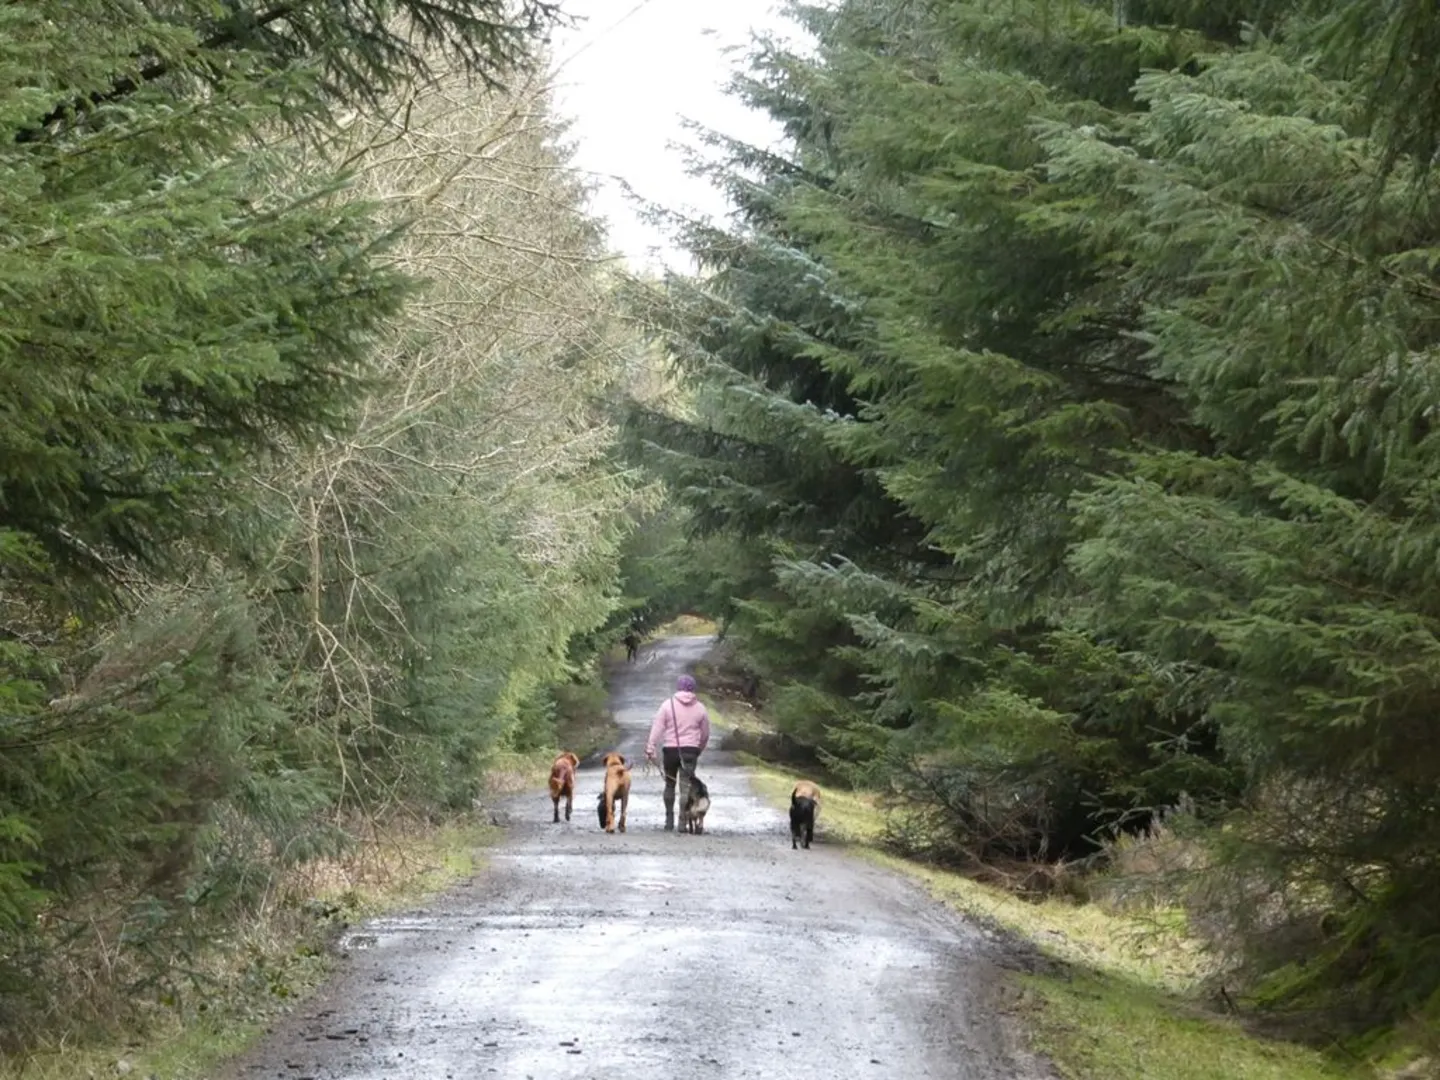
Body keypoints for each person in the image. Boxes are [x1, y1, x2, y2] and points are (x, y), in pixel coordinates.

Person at [645, 674, 711, 832]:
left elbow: (658, 727)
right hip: (690, 751)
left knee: (669, 785)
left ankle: (669, 820)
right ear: (693, 689)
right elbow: (705, 735)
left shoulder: (667, 705)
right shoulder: (701, 708)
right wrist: (698, 749)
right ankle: (683, 821)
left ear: (678, 687)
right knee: (686, 787)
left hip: (670, 751)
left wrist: (650, 747)